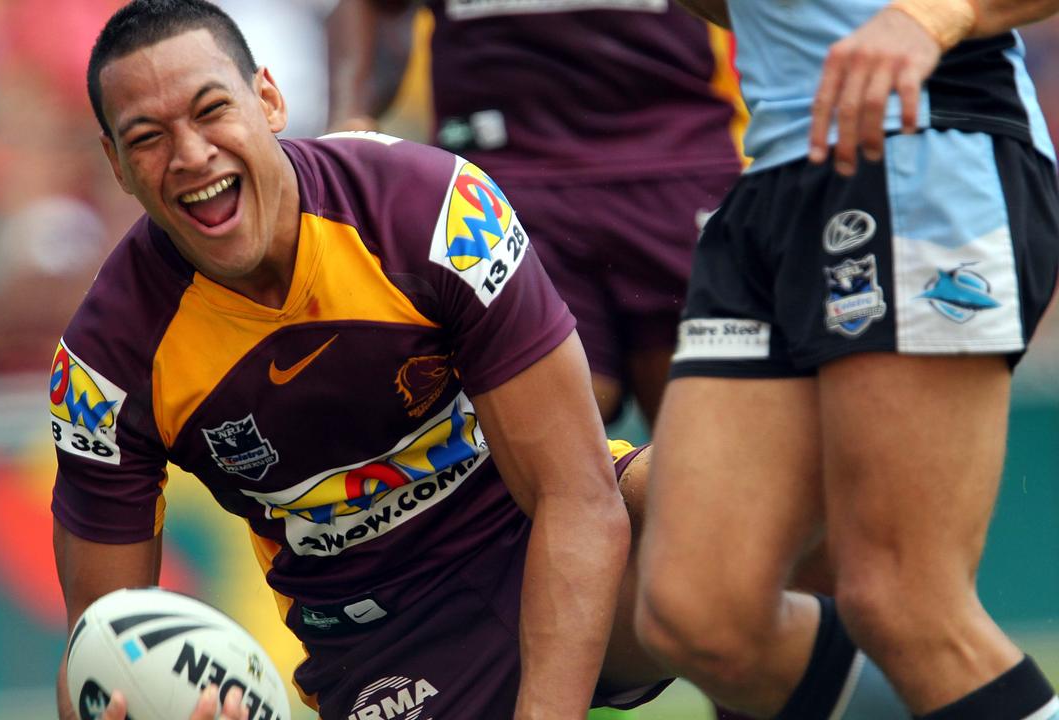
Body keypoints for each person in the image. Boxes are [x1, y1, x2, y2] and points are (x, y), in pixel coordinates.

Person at [55, 3, 918, 720]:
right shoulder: (103, 369)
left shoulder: (431, 210)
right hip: (382, 639)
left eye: (211, 112)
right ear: (117, 166)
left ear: (269, 100)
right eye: (149, 137)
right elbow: (100, 649)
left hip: (537, 532)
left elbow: (579, 499)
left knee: (758, 518)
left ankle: (972, 700)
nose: (192, 156)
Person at [637, 0, 1059, 718]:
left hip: (918, 143)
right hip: (772, 179)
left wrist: (939, 13)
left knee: (904, 603)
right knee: (701, 615)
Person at [326, 0, 747, 428]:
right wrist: (346, 116)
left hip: (678, 162)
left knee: (709, 446)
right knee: (545, 443)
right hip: (499, 180)